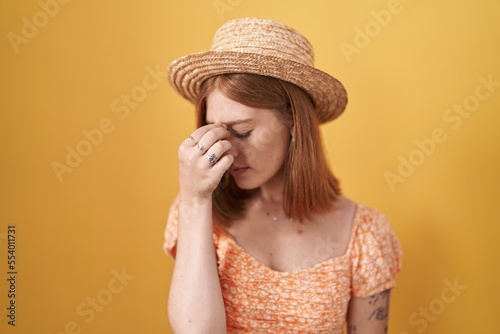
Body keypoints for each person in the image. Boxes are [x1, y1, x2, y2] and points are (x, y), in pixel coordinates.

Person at [163, 17, 402, 333]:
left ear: (293, 123)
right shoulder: (199, 215)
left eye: (243, 132)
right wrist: (194, 201)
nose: (226, 151)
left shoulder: (366, 236)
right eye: (216, 132)